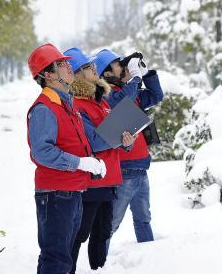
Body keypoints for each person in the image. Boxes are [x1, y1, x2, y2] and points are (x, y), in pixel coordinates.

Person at [26, 43, 107, 274]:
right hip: (56, 195)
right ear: (49, 74)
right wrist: (80, 163)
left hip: (72, 192)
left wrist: (91, 160)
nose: (69, 67)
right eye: (62, 64)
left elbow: (75, 143)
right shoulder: (45, 108)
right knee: (57, 260)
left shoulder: (66, 103)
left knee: (64, 259)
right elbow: (42, 152)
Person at [63, 47, 134, 272]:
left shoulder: (101, 101)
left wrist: (126, 139)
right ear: (77, 75)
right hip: (91, 182)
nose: (94, 69)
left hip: (109, 178)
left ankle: (99, 269)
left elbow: (111, 136)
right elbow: (93, 142)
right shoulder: (78, 105)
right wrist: (116, 137)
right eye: (87, 67)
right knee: (80, 233)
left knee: (102, 234)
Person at [93, 49, 164, 245]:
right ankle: (99, 263)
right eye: (118, 64)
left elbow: (156, 96)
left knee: (143, 220)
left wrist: (146, 74)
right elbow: (121, 101)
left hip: (141, 168)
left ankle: (148, 258)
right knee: (112, 223)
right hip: (124, 170)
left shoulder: (130, 93)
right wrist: (135, 78)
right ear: (106, 74)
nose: (123, 66)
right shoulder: (107, 96)